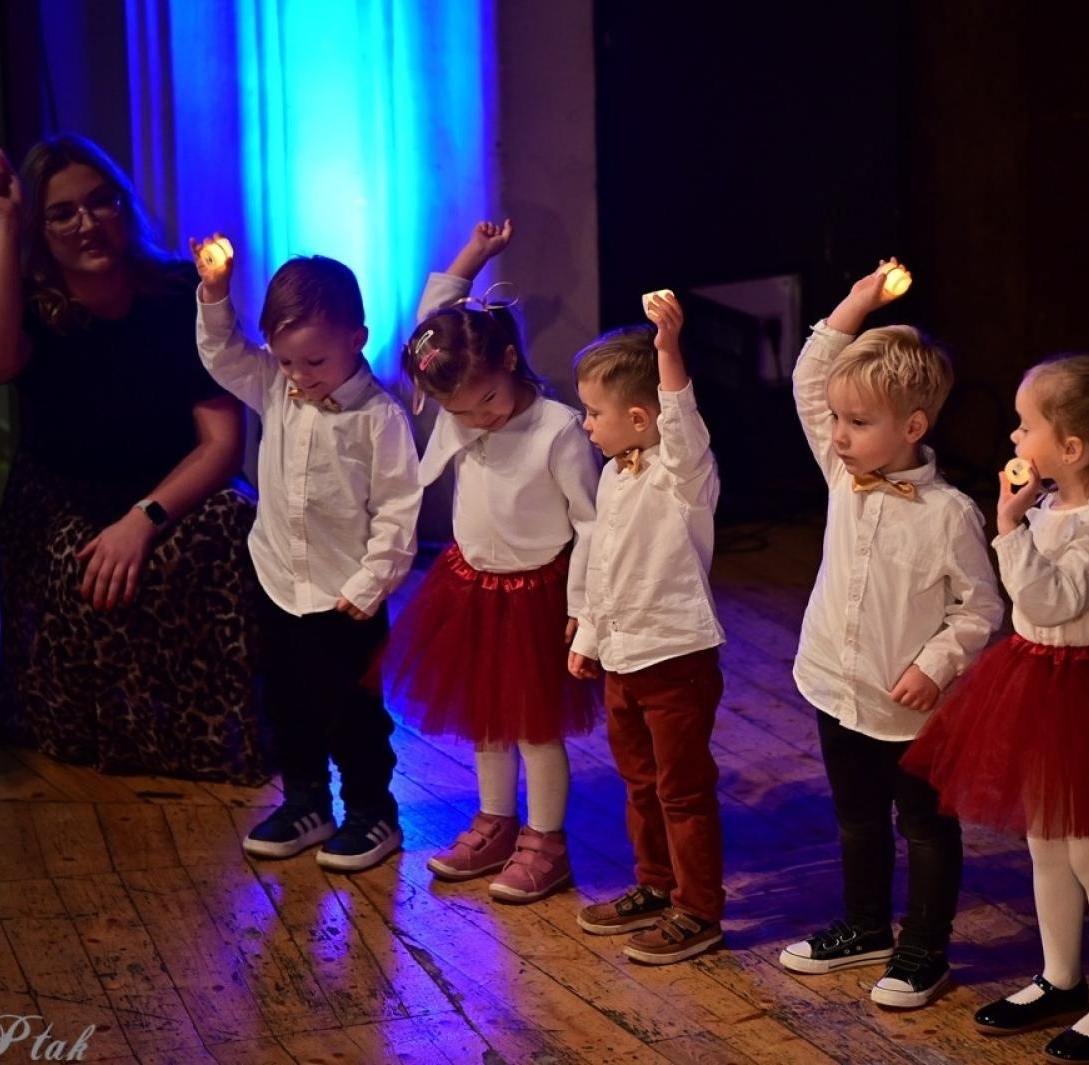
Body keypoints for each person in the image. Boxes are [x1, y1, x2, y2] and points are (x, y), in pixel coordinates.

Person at [0, 134, 263, 782]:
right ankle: (113, 725)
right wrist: (6, 221)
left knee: (233, 520)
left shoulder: (179, 293)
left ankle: (213, 729)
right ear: (42, 228)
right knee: (82, 561)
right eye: (62, 213)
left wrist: (143, 518)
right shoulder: (34, 307)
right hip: (64, 496)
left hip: (165, 491)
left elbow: (221, 443)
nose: (88, 222)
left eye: (101, 202)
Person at [902, 347, 1089, 1061]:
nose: (1014, 438)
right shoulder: (1049, 505)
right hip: (1036, 680)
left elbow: (1049, 597)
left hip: (1081, 694)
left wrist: (1008, 528)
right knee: (1045, 842)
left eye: (1025, 425)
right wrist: (1021, 519)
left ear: (1070, 448)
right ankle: (1062, 975)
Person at [777, 261, 1004, 1008]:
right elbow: (812, 375)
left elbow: (980, 608)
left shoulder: (949, 515)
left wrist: (936, 665)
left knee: (926, 827)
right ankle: (866, 925)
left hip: (912, 703)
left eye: (858, 422)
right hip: (836, 682)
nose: (838, 434)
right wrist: (858, 301)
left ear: (913, 427)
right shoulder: (844, 473)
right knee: (856, 818)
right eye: (837, 420)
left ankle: (924, 949)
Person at [383, 220, 600, 903]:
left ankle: (547, 840)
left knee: (536, 726)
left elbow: (593, 523)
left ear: (510, 360)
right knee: (486, 720)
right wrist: (474, 254)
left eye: (487, 406)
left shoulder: (558, 429)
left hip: (540, 591)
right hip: (471, 584)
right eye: (460, 412)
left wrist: (585, 608)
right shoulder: (457, 389)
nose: (476, 420)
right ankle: (496, 822)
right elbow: (434, 317)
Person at [192, 235, 421, 871]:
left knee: (352, 711)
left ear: (357, 337)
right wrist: (214, 294)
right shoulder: (273, 385)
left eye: (314, 362)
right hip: (278, 582)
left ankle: (373, 812)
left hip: (346, 595)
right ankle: (305, 803)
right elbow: (221, 353)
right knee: (288, 703)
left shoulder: (380, 418)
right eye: (287, 362)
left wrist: (372, 582)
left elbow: (400, 511)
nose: (299, 377)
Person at [567, 291, 726, 965]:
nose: (584, 423)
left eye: (594, 412)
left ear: (638, 416)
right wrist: (589, 639)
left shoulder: (682, 474)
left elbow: (681, 423)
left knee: (681, 789)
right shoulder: (613, 477)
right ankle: (656, 885)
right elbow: (604, 566)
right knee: (639, 782)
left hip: (675, 658)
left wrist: (666, 350)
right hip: (623, 662)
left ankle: (699, 908)